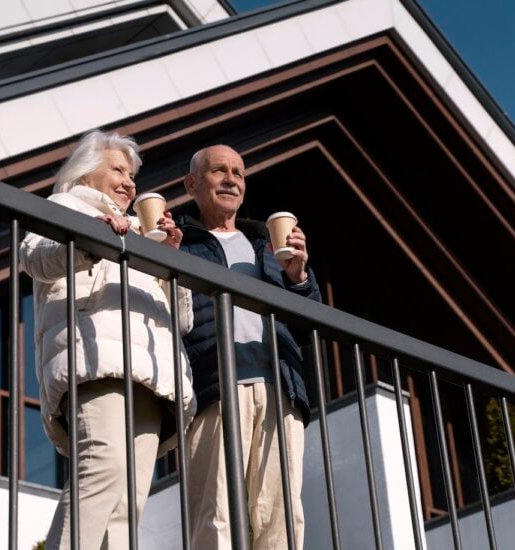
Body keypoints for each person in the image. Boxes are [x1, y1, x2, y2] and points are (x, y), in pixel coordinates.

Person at [19, 131, 196, 550]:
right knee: (102, 466)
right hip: (96, 357)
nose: (129, 183)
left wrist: (169, 258)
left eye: (132, 174)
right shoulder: (66, 206)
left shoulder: (140, 229)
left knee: (128, 501)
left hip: (154, 373)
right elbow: (36, 259)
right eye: (118, 169)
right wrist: (94, 241)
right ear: (86, 170)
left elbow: (183, 318)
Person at [177, 144, 321, 550]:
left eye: (238, 173)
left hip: (280, 388)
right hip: (214, 387)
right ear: (192, 184)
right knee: (216, 512)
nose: (231, 179)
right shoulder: (180, 243)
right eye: (219, 170)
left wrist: (297, 277)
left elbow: (309, 323)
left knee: (281, 517)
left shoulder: (268, 247)